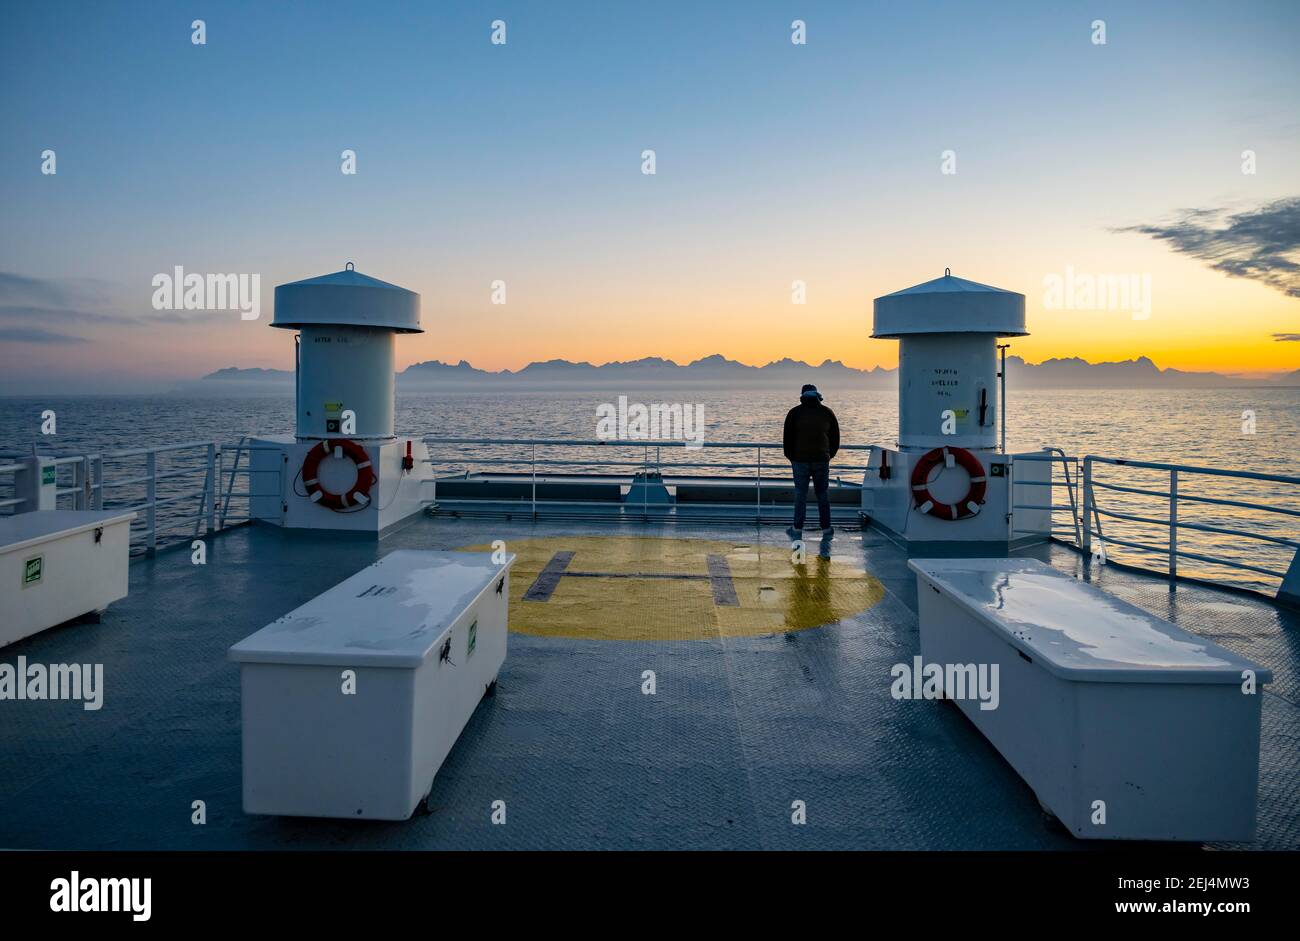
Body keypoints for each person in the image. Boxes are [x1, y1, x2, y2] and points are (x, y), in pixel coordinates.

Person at [783, 384, 839, 541]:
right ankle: (827, 528)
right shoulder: (827, 412)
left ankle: (797, 528)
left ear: (802, 396)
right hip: (822, 459)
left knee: (800, 494)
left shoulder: (794, 413)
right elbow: (835, 437)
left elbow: (787, 439)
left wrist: (791, 457)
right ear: (817, 395)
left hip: (799, 460)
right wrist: (828, 455)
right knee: (822, 494)